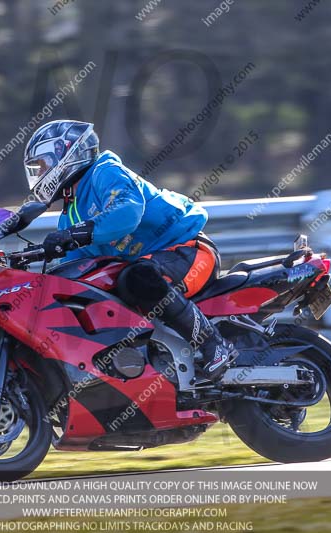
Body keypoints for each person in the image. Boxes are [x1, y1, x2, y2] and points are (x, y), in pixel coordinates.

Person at [23, 119, 236, 381]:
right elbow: (72, 276)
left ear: (66, 154)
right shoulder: (69, 215)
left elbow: (126, 212)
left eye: (43, 165)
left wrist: (76, 234)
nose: (40, 174)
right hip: (150, 267)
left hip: (188, 251)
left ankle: (214, 345)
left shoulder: (104, 171)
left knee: (137, 278)